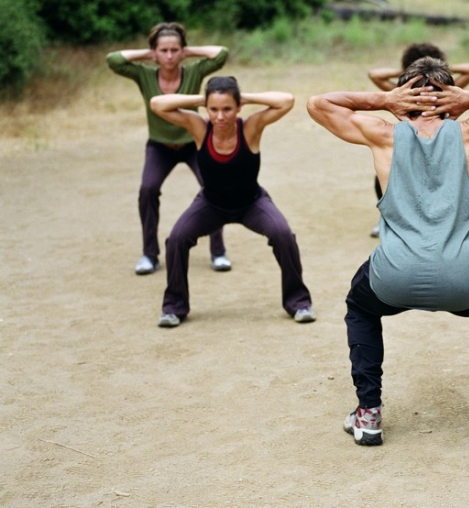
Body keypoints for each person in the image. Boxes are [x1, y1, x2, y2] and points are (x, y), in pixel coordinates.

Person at [307, 57, 469, 446]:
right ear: (450, 96)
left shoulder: (383, 133)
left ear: (404, 98)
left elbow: (319, 103)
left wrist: (384, 100)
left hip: (394, 277)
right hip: (463, 278)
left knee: (361, 305)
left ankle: (368, 414)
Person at [149, 76, 315, 327]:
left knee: (283, 235)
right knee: (177, 239)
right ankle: (174, 307)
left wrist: (244, 97)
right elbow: (157, 104)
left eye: (227, 108)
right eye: (213, 109)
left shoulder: (250, 128)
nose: (220, 116)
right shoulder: (199, 127)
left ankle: (299, 302)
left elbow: (287, 101)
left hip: (252, 204)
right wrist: (204, 99)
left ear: (238, 108)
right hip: (210, 205)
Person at [106, 22, 232, 275]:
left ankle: (218, 252)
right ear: (155, 53)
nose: (170, 56)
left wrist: (189, 50)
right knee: (148, 189)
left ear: (182, 51)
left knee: (214, 188)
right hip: (159, 147)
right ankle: (149, 255)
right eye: (164, 50)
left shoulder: (194, 72)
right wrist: (148, 54)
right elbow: (114, 60)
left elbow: (221, 54)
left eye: (175, 50)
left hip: (193, 143)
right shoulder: (145, 74)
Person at [365, 42, 469, 237]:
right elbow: (375, 75)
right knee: (388, 176)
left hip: (441, 140)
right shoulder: (403, 92)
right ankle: (387, 216)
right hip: (409, 139)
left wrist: (438, 69)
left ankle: (447, 221)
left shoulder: (447, 91)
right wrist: (411, 72)